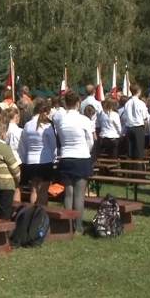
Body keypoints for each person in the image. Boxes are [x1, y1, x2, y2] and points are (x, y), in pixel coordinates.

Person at [57, 90, 94, 233]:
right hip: (81, 157)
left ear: (65, 103)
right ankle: (78, 226)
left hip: (66, 157)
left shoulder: (61, 120)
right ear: (78, 103)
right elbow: (90, 141)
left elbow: (60, 139)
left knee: (68, 194)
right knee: (79, 195)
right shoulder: (84, 119)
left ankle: (67, 225)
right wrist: (86, 151)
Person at [18, 98, 57, 205]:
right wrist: (54, 156)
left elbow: (23, 144)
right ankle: (41, 215)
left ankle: (32, 215)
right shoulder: (47, 126)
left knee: (34, 190)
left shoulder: (28, 125)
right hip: (45, 160)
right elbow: (53, 144)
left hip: (31, 160)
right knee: (43, 190)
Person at [122, 85, 149, 159]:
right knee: (139, 151)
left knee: (130, 151)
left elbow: (125, 116)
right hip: (138, 127)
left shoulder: (127, 103)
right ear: (139, 92)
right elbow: (145, 117)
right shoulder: (141, 103)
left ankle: (131, 166)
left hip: (129, 127)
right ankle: (138, 168)